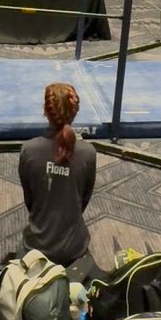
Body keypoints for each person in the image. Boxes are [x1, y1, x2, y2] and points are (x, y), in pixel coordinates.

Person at [18, 83, 96, 268]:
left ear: (46, 111)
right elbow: (84, 199)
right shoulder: (88, 153)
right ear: (75, 112)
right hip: (74, 248)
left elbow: (30, 199)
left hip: (37, 247)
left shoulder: (28, 150)